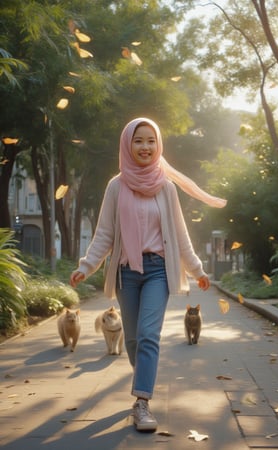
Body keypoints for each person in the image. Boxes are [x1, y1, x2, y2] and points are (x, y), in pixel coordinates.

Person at [70, 117, 226, 432]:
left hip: (157, 271)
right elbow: (104, 234)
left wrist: (196, 270)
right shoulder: (116, 186)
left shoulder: (166, 188)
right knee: (132, 339)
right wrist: (86, 266)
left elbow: (180, 235)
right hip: (127, 273)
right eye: (138, 140)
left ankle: (142, 402)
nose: (145, 147)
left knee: (148, 335)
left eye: (151, 141)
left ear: (159, 146)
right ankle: (143, 375)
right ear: (128, 145)